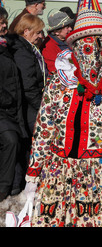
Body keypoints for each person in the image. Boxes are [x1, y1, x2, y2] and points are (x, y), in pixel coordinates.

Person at [23, 0, 102, 227]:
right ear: (74, 45)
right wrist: (32, 177)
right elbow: (44, 130)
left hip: (101, 175)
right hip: (57, 174)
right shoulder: (60, 81)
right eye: (85, 43)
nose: (92, 49)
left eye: (99, 42)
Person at [5, 13, 46, 196]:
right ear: (26, 31)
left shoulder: (29, 48)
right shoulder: (22, 51)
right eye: (37, 32)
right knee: (32, 146)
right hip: (30, 109)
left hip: (32, 106)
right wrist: (41, 108)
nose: (40, 36)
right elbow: (28, 85)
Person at [0, 8, 27, 202]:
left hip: (12, 107)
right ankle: (3, 188)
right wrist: (6, 99)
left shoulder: (7, 45)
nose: (4, 25)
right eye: (1, 22)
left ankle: (14, 187)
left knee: (17, 142)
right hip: (3, 107)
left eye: (4, 21)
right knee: (10, 140)